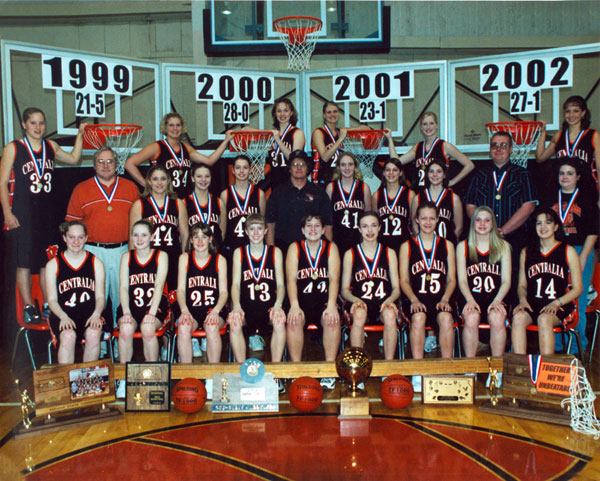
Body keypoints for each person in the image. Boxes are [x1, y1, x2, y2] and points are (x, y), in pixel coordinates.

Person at [1, 107, 86, 322]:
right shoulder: (13, 148)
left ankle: (49, 303)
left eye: (41, 123)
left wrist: (80, 135)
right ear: (24, 124)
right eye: (33, 123)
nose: (38, 127)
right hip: (23, 213)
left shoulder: (51, 146)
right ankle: (29, 306)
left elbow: (75, 159)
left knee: (46, 262)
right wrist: (7, 213)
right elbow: (2, 183)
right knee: (24, 263)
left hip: (46, 213)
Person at [65, 147, 139, 326]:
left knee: (121, 299)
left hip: (122, 250)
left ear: (117, 164)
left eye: (110, 161)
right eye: (101, 162)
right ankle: (98, 341)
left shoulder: (130, 188)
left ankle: (118, 341)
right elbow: (71, 225)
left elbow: (138, 225)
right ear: (93, 165)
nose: (105, 166)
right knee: (95, 299)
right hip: (92, 250)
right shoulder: (81, 189)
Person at [464, 131, 537, 293]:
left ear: (511, 148)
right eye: (494, 145)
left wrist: (503, 231)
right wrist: (486, 228)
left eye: (503, 145)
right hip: (484, 239)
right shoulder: (479, 175)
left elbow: (528, 206)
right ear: (490, 149)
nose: (498, 149)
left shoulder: (523, 174)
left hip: (515, 238)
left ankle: (513, 314)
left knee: (516, 278)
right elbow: (470, 205)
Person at [399, 202, 456, 393]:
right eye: (423, 218)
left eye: (432, 218)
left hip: (440, 299)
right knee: (419, 318)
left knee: (446, 318)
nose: (428, 222)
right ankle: (418, 370)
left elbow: (452, 279)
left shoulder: (447, 245)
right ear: (416, 220)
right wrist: (414, 300)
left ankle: (447, 369)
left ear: (438, 219)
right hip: (416, 299)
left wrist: (446, 299)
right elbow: (404, 281)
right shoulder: (407, 246)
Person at [543, 158, 599, 352]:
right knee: (556, 296)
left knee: (577, 297)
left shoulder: (587, 199)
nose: (565, 177)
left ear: (578, 177)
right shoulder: (550, 198)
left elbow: (594, 231)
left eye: (569, 173)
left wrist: (583, 256)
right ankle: (557, 345)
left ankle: (577, 347)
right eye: (561, 173)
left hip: (579, 249)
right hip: (556, 251)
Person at [512, 208, 583, 355]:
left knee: (544, 320)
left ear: (556, 226)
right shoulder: (526, 252)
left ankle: (546, 371)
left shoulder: (567, 251)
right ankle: (519, 369)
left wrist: (557, 303)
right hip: (533, 304)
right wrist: (523, 299)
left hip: (559, 306)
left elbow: (578, 289)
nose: (543, 227)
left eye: (548, 222)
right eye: (539, 223)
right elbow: (522, 285)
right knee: (518, 318)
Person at [228, 214, 287, 381]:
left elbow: (281, 284)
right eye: (252, 229)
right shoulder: (239, 253)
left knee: (279, 320)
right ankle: (242, 372)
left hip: (268, 307)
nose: (255, 233)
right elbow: (236, 284)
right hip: (246, 308)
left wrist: (278, 304)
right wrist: (236, 306)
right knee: (234, 321)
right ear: (246, 231)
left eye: (259, 229)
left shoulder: (275, 252)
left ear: (266, 230)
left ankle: (276, 375)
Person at [456, 206, 511, 384]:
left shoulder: (503, 246)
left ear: (493, 224)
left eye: (487, 220)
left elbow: (507, 281)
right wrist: (470, 300)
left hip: (496, 297)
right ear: (472, 224)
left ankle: (497, 370)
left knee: (497, 318)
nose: (482, 224)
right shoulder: (463, 247)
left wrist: (497, 301)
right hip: (472, 297)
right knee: (471, 318)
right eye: (478, 220)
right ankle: (470, 368)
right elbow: (462, 281)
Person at [286, 215, 341, 389]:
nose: (313, 229)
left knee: (332, 320)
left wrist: (332, 305)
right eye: (309, 226)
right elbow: (291, 280)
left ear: (324, 230)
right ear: (302, 230)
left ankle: (328, 371)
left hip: (323, 302)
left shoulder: (331, 248)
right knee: (294, 320)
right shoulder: (294, 248)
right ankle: (296, 370)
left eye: (317, 226)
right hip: (301, 301)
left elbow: (334, 279)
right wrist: (294, 305)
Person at [125, 112, 233, 198]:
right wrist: (147, 185)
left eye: (178, 125)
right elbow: (129, 164)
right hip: (163, 197)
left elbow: (210, 161)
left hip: (183, 199)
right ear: (165, 127)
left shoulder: (186, 148)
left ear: (182, 127)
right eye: (171, 125)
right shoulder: (157, 147)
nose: (175, 128)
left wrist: (226, 141)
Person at [341, 211, 401, 360]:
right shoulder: (351, 253)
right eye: (365, 226)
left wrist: (390, 300)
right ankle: (357, 365)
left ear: (380, 228)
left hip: (383, 302)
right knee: (359, 315)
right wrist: (355, 300)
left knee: (390, 315)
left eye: (373, 226)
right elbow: (344, 289)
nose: (370, 230)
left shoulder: (389, 253)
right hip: (360, 303)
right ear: (359, 229)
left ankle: (389, 366)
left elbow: (396, 288)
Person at [45, 221, 106, 364]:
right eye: (71, 237)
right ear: (64, 238)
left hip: (90, 313)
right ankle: (67, 382)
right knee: (68, 336)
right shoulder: (53, 264)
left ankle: (88, 382)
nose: (76, 241)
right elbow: (52, 299)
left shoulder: (96, 262)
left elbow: (100, 296)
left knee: (94, 333)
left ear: (86, 238)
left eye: (80, 237)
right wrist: (63, 316)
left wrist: (97, 314)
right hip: (64, 313)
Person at [129, 165, 188, 295]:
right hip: (149, 257)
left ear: (168, 181)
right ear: (149, 181)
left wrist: (185, 260)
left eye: (163, 179)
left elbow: (185, 235)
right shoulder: (139, 205)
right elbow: (132, 238)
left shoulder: (178, 203)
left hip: (173, 255)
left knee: (174, 295)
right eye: (155, 179)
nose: (159, 183)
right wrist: (135, 264)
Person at [117, 220, 169, 364]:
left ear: (152, 237)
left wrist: (152, 312)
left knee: (147, 328)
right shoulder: (126, 257)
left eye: (144, 235)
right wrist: (126, 311)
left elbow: (159, 285)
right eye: (135, 235)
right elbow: (123, 287)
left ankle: (152, 373)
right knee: (126, 330)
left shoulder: (161, 256)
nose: (139, 239)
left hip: (154, 305)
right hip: (131, 305)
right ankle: (124, 379)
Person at [176, 223, 228, 363]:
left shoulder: (220, 260)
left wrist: (216, 311)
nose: (200, 241)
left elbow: (224, 292)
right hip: (191, 310)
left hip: (213, 309)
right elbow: (180, 290)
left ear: (210, 239)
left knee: (212, 327)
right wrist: (184, 310)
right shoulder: (184, 259)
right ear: (191, 240)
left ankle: (213, 376)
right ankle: (186, 376)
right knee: (183, 327)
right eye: (196, 237)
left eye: (204, 237)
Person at [536, 95, 600, 202]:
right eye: (567, 111)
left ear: (583, 113)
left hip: (585, 187)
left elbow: (599, 168)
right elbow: (540, 158)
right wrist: (542, 133)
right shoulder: (559, 135)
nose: (571, 115)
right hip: (562, 187)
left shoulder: (593, 135)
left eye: (575, 111)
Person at [265, 150, 333, 250]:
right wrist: (271, 251)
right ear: (289, 169)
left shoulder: (319, 192)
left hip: (312, 248)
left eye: (302, 164)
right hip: (283, 248)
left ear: (307, 168)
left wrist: (327, 251)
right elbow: (270, 224)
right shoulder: (278, 192)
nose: (299, 167)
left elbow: (328, 224)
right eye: (295, 164)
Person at [395, 111, 474, 190]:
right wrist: (389, 140)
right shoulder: (418, 146)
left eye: (431, 123)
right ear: (421, 127)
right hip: (421, 193)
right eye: (425, 124)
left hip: (439, 193)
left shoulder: (445, 146)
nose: (428, 127)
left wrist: (451, 182)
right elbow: (396, 162)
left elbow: (470, 165)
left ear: (437, 125)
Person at [219, 154, 266, 258]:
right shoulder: (225, 194)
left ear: (250, 171)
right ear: (233, 171)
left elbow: (263, 223)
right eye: (238, 168)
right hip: (231, 247)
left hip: (253, 247)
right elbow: (222, 226)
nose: (241, 171)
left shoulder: (259, 194)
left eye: (245, 168)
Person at [325, 152, 372, 255]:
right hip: (338, 240)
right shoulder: (331, 188)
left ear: (355, 166)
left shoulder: (364, 188)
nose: (347, 168)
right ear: (338, 167)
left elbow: (368, 217)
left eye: (350, 164)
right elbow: (328, 219)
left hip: (359, 240)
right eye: (343, 165)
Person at [411, 159, 463, 243]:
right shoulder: (418, 198)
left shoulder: (454, 198)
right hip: (424, 247)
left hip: (446, 247)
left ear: (444, 175)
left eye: (439, 171)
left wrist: (447, 244)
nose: (435, 175)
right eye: (431, 171)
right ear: (427, 174)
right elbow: (414, 226)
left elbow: (459, 228)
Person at [373, 157, 415, 251]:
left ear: (400, 173)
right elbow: (374, 224)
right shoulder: (376, 195)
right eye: (388, 170)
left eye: (395, 170)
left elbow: (414, 223)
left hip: (404, 245)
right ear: (383, 172)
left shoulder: (410, 194)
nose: (391, 173)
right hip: (383, 245)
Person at [263, 97, 305, 191]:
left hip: (291, 182)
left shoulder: (297, 133)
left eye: (285, 111)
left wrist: (278, 140)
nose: (282, 114)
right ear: (275, 114)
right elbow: (246, 130)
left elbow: (294, 159)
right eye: (279, 111)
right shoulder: (272, 134)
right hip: (275, 182)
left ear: (291, 112)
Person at [185, 163, 223, 244]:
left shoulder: (219, 202)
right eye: (199, 176)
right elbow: (183, 234)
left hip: (214, 251)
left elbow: (222, 233)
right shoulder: (184, 203)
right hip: (194, 251)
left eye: (207, 176)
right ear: (192, 178)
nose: (203, 180)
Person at [311, 101, 346, 184]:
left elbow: (364, 128)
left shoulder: (339, 131)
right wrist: (340, 139)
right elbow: (324, 157)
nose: (332, 115)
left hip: (338, 178)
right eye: (329, 112)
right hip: (321, 178)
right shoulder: (318, 132)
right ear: (324, 115)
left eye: (335, 111)